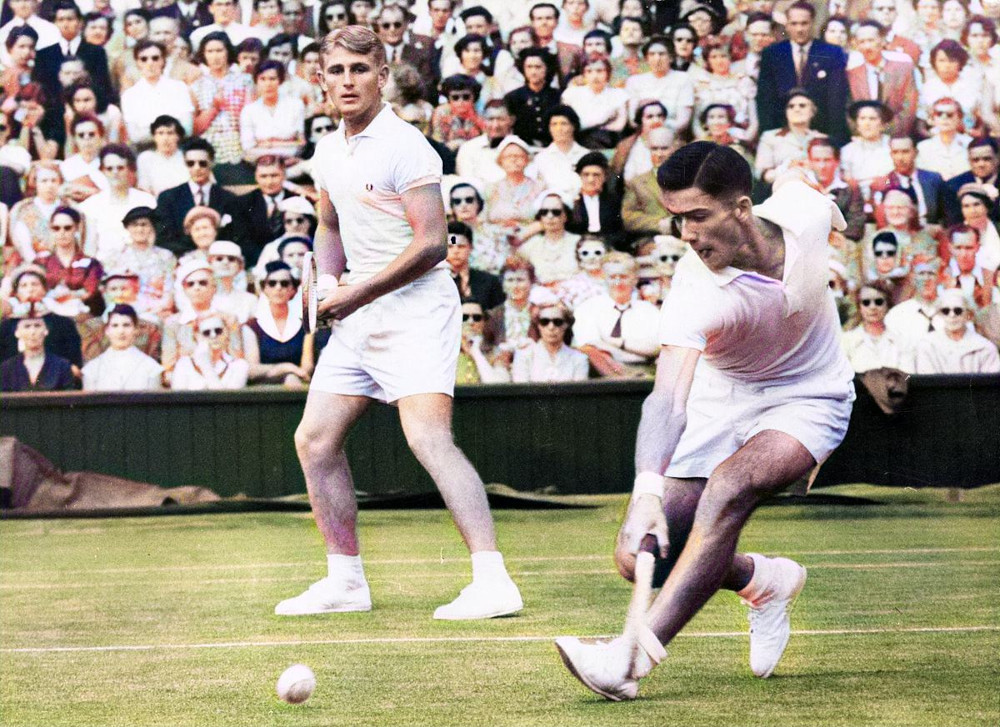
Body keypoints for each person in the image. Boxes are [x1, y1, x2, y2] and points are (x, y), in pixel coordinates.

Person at [555, 141, 856, 700]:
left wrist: (832, 200)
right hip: (719, 401)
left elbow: (839, 206)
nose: (685, 235)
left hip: (810, 396)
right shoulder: (695, 292)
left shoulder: (803, 212)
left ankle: (628, 661)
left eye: (697, 216)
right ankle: (761, 581)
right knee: (638, 556)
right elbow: (666, 400)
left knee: (731, 486)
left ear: (742, 208)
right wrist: (647, 489)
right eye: (676, 219)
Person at [275, 26, 522, 620]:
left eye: (360, 70)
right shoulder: (329, 150)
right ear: (322, 79)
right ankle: (346, 580)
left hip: (415, 310)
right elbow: (329, 226)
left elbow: (434, 243)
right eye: (336, 72)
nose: (347, 81)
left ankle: (494, 582)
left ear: (381, 76)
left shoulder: (408, 146)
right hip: (361, 308)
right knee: (314, 440)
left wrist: (358, 292)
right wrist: (333, 285)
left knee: (428, 440)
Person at [756, 0, 849, 144]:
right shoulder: (772, 54)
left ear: (812, 23)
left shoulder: (831, 53)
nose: (799, 29)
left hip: (821, 133)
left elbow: (836, 101)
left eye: (804, 23)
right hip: (782, 134)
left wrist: (834, 140)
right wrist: (769, 137)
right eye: (794, 24)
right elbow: (765, 100)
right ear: (786, 25)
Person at [571, 250, 659, 377]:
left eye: (623, 277)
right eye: (612, 277)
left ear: (634, 279)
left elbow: (657, 346)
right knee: (590, 351)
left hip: (644, 370)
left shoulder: (648, 310)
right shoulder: (588, 308)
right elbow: (589, 345)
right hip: (603, 372)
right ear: (604, 278)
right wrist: (637, 348)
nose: (617, 283)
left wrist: (616, 342)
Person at [245, 260, 313, 386]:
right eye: (272, 283)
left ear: (293, 289)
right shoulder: (252, 326)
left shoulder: (306, 325)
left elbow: (306, 369)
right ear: (264, 288)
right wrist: (287, 368)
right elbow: (252, 370)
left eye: (285, 283)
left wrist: (289, 374)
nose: (278, 288)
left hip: (298, 386)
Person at [81, 303, 164, 390]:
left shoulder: (152, 368)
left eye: (126, 325)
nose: (121, 331)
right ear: (106, 330)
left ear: (136, 329)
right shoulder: (92, 369)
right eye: (115, 325)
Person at [914, 289, 1000, 372]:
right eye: (946, 311)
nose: (952, 315)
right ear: (940, 314)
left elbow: (990, 384)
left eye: (958, 311)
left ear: (968, 314)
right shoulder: (928, 345)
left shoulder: (985, 348)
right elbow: (927, 382)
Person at [840, 279, 915, 372]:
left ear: (887, 306)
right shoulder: (845, 342)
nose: (872, 307)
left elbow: (909, 377)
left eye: (878, 302)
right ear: (859, 307)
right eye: (866, 302)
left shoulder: (902, 341)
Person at [0, 303, 77, 392]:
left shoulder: (62, 366)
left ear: (46, 331)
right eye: (27, 326)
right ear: (17, 333)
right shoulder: (7, 368)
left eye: (37, 326)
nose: (33, 332)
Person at [171, 309, 251, 389]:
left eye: (218, 331)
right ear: (197, 335)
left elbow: (227, 399)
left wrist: (206, 366)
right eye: (206, 332)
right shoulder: (184, 364)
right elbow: (177, 399)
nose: (213, 336)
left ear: (226, 332)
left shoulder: (239, 366)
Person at [511, 301, 588, 382]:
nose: (551, 327)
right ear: (538, 325)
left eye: (557, 322)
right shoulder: (523, 356)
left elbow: (578, 393)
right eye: (544, 322)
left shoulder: (579, 359)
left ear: (566, 325)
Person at [447, 221, 505, 310]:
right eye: (450, 246)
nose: (456, 251)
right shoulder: (435, 281)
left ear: (471, 248)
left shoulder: (489, 282)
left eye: (461, 246)